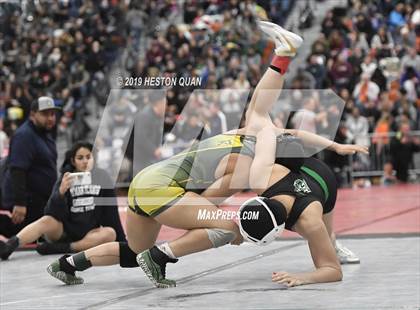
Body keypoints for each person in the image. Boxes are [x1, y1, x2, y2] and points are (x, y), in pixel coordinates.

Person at [47, 22, 362, 288]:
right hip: (160, 190)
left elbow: (263, 109)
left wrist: (333, 145)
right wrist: (207, 234)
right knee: (229, 227)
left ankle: (68, 264)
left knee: (134, 252)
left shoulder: (244, 135)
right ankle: (161, 257)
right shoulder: (248, 165)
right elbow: (212, 203)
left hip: (146, 183)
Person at [238, 124, 368, 288]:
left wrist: (302, 278)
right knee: (285, 142)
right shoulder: (260, 178)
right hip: (300, 167)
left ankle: (333, 245)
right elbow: (288, 132)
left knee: (326, 237)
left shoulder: (310, 223)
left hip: (324, 181)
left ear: (280, 229)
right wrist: (336, 146)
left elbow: (334, 271)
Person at [0, 142, 125, 260]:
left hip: (89, 235)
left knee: (110, 233)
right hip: (64, 231)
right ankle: (9, 246)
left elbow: (111, 212)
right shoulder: (66, 177)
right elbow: (51, 212)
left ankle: (61, 249)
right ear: (73, 161)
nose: (85, 161)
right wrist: (60, 192)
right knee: (46, 220)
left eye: (88, 157)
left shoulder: (103, 177)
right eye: (80, 158)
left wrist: (123, 243)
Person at [0, 97, 60, 237]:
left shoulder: (45, 135)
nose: (50, 118)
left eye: (52, 114)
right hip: (27, 204)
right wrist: (20, 203)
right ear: (33, 114)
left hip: (40, 201)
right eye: (45, 114)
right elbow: (17, 170)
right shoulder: (25, 136)